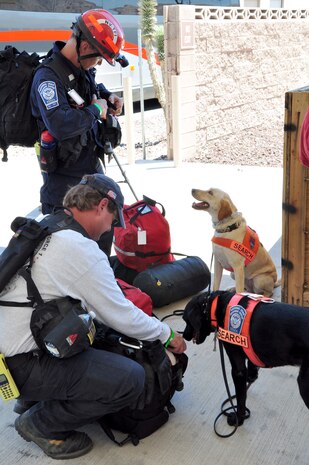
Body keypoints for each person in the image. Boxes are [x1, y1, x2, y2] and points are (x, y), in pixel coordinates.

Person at [0, 173, 186, 460]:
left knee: (84, 330)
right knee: (129, 379)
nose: (108, 230)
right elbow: (120, 315)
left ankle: (31, 400)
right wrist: (168, 335)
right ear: (101, 206)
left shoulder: (47, 225)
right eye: (112, 221)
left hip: (9, 357)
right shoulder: (80, 248)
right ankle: (40, 424)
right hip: (23, 365)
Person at [30, 9, 125, 255]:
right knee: (68, 253)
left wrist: (108, 97)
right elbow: (60, 124)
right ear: (84, 46)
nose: (99, 63)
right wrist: (96, 109)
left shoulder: (82, 70)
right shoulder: (47, 78)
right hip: (63, 182)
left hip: (90, 172)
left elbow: (90, 89)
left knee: (101, 244)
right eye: (99, 56)